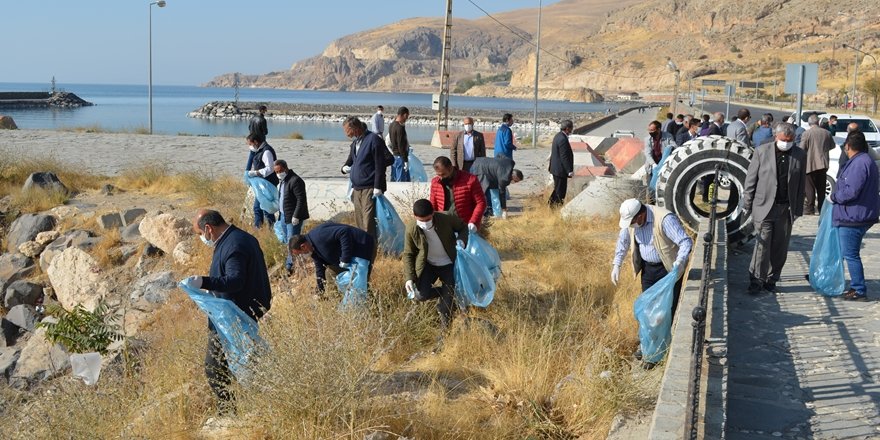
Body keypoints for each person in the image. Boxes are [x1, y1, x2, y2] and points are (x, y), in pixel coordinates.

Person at [184, 209, 272, 411]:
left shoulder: (234, 245)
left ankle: (229, 413)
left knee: (214, 367)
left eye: (199, 233)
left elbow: (235, 280)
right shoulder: (235, 238)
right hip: (239, 312)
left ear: (208, 228)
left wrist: (204, 281)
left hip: (234, 317)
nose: (201, 238)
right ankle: (251, 404)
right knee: (242, 362)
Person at [611, 199, 693, 337]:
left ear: (641, 216)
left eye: (632, 222)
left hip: (668, 270)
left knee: (666, 309)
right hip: (648, 269)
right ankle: (649, 343)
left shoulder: (664, 219)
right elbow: (623, 241)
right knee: (648, 308)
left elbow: (685, 241)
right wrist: (616, 264)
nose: (631, 226)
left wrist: (680, 261)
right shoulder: (631, 223)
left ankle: (665, 343)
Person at [741, 123, 807, 294]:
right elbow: (751, 180)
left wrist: (798, 209)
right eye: (784, 140)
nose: (786, 143)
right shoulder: (762, 152)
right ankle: (756, 279)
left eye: (790, 140)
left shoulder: (800, 155)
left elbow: (801, 184)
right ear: (776, 137)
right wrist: (747, 204)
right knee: (762, 245)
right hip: (764, 207)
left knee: (780, 247)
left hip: (785, 209)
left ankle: (772, 279)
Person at [403, 199, 469, 330]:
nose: (425, 223)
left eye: (428, 219)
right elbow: (408, 254)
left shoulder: (446, 219)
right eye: (421, 220)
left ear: (433, 213)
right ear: (415, 216)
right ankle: (448, 293)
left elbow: (463, 227)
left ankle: (445, 332)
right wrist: (409, 278)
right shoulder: (411, 228)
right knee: (421, 295)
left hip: (449, 264)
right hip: (428, 265)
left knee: (445, 308)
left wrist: (461, 240)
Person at [830, 131, 880, 301]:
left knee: (851, 254)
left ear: (848, 146)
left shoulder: (860, 163)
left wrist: (834, 196)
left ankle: (858, 289)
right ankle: (832, 278)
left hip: (854, 217)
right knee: (845, 252)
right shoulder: (864, 160)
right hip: (856, 214)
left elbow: (851, 191)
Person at [289, 222, 376, 296]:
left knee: (361, 283)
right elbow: (320, 270)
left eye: (300, 253)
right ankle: (341, 304)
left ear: (303, 246)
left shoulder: (319, 235)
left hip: (363, 248)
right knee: (331, 273)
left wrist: (345, 258)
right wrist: (320, 291)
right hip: (351, 258)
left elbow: (344, 231)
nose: (302, 256)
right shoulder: (313, 250)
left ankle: (373, 309)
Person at [340, 116, 387, 240]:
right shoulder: (356, 142)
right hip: (357, 188)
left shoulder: (373, 140)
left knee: (368, 222)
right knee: (359, 221)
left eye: (347, 131)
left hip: (369, 187)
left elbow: (380, 164)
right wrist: (344, 168)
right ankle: (362, 249)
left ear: (354, 128)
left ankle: (370, 252)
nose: (346, 134)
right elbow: (351, 160)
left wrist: (377, 186)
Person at [429, 156, 486, 231]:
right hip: (444, 225)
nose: (441, 178)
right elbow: (433, 204)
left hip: (465, 225)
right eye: (438, 175)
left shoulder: (470, 180)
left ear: (450, 168)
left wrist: (473, 222)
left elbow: (481, 202)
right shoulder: (435, 182)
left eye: (443, 174)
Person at [274, 159, 309, 272]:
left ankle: (290, 266)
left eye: (280, 171)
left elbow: (301, 199)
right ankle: (292, 261)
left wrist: (296, 215)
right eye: (276, 172)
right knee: (287, 240)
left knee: (292, 241)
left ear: (286, 168)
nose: (278, 174)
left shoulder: (295, 180)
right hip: (284, 215)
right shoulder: (283, 181)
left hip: (293, 217)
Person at [800, 114, 836, 215]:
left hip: (810, 163)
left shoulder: (806, 134)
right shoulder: (827, 133)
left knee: (809, 187)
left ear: (809, 123)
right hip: (823, 163)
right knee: (821, 188)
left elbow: (802, 148)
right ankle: (821, 208)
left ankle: (810, 208)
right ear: (818, 122)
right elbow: (832, 146)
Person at [246, 133, 278, 228]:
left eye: (250, 144)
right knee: (258, 207)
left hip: (268, 184)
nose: (250, 146)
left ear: (256, 142)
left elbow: (270, 169)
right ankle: (259, 228)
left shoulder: (266, 151)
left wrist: (255, 173)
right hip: (261, 183)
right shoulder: (258, 150)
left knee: (265, 208)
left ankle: (271, 227)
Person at [549, 120, 574, 207]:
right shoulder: (563, 139)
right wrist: (569, 170)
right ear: (567, 129)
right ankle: (556, 207)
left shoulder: (558, 136)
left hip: (556, 169)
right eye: (571, 128)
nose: (571, 130)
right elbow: (564, 157)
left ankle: (551, 204)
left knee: (557, 189)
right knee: (560, 191)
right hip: (560, 170)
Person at [387, 106, 411, 182]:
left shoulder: (391, 125)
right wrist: (405, 159)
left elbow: (391, 140)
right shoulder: (400, 128)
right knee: (401, 181)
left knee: (394, 177)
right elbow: (401, 145)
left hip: (394, 155)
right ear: (404, 115)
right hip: (400, 156)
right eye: (407, 116)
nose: (406, 119)